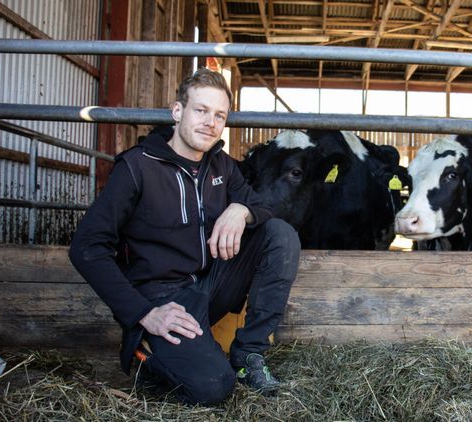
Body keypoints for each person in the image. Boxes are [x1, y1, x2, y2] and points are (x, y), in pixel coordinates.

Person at [69, 68, 300, 405]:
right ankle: (146, 353)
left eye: (219, 115)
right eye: (201, 110)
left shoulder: (221, 165)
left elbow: (263, 206)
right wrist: (143, 313)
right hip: (163, 298)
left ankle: (248, 355)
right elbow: (86, 247)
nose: (210, 122)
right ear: (178, 112)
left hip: (210, 285)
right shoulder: (137, 167)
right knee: (212, 388)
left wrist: (241, 210)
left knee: (280, 235)